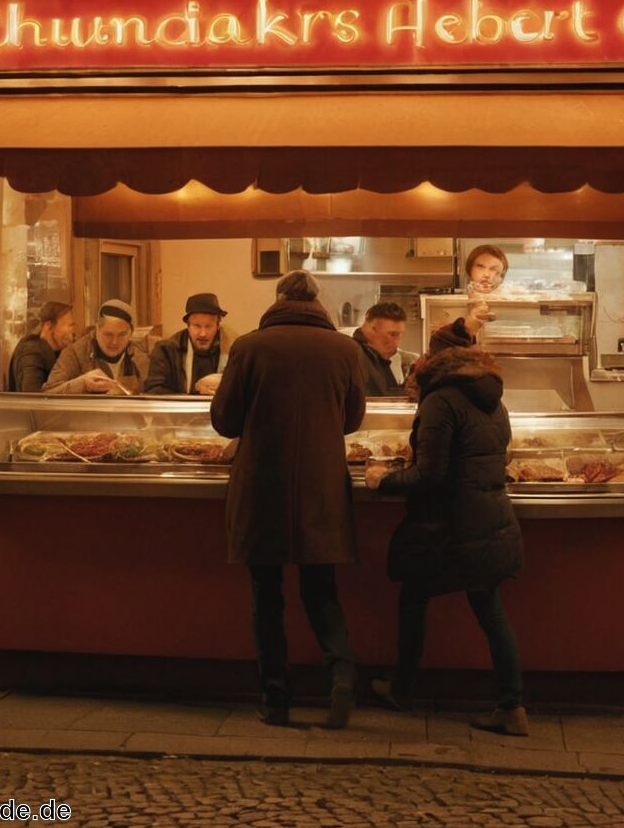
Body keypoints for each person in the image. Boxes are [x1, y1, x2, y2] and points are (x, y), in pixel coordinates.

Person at [210, 270, 366, 729]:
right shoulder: (345, 349)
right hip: (321, 486)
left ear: (278, 299)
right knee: (322, 591)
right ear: (318, 302)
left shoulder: (251, 346)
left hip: (263, 485)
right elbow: (353, 419)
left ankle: (275, 699)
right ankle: (341, 677)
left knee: (267, 595)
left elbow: (224, 420)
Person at [364, 345, 527, 736]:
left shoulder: (440, 402)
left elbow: (429, 476)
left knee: (413, 597)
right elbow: (495, 456)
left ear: (428, 375)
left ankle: (403, 690)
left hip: (448, 526)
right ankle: (512, 704)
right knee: (489, 609)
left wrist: (381, 480)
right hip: (490, 519)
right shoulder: (493, 400)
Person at [43, 299, 149, 394]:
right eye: (108, 334)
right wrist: (82, 383)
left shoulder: (140, 356)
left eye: (122, 335)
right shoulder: (75, 353)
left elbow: (152, 394)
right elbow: (47, 394)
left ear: (131, 333)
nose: (114, 342)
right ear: (97, 329)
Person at [144, 293, 233, 395]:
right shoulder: (166, 349)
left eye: (208, 326)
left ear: (218, 326)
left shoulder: (232, 350)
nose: (203, 333)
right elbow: (153, 391)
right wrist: (197, 390)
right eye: (196, 326)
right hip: (177, 410)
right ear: (188, 325)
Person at [429, 244, 509, 352]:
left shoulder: (507, 302)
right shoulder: (451, 304)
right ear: (469, 270)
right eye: (480, 267)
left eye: (493, 269)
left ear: (501, 277)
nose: (486, 274)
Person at [351, 301, 419, 397]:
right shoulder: (355, 357)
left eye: (400, 335)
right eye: (392, 334)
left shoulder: (378, 358)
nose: (396, 342)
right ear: (370, 329)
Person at [7, 301, 75, 392]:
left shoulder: (58, 352)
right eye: (70, 326)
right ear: (49, 326)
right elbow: (31, 396)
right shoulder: (31, 352)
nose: (74, 332)